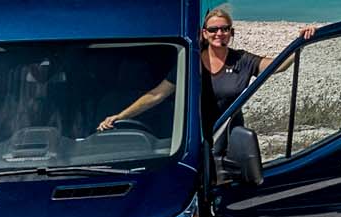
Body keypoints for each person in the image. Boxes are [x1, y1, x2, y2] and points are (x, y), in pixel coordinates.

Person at [97, 8, 314, 132]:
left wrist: (302, 42)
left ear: (231, 33)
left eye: (224, 29)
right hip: (197, 139)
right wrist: (120, 115)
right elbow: (156, 95)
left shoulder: (243, 59)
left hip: (231, 137)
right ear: (204, 33)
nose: (219, 33)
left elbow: (280, 65)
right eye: (213, 29)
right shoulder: (191, 63)